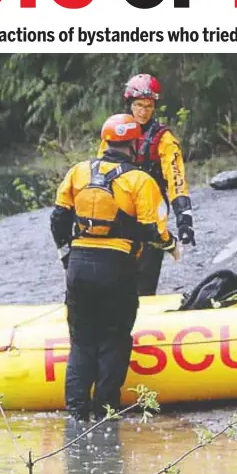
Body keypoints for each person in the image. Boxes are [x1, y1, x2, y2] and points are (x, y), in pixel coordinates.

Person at [51, 114, 178, 421]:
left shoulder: (78, 172)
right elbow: (153, 231)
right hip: (117, 268)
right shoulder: (140, 181)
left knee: (81, 341)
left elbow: (58, 219)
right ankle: (106, 411)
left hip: (79, 267)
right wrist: (172, 245)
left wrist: (66, 255)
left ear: (106, 142)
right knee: (115, 338)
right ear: (134, 145)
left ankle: (77, 412)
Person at [99, 73, 195, 296]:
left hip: (151, 210)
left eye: (148, 106)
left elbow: (176, 178)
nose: (143, 111)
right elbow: (101, 171)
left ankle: (143, 310)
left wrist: (185, 218)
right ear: (129, 104)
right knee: (116, 271)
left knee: (146, 275)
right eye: (139, 105)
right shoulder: (114, 132)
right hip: (121, 209)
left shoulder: (164, 138)